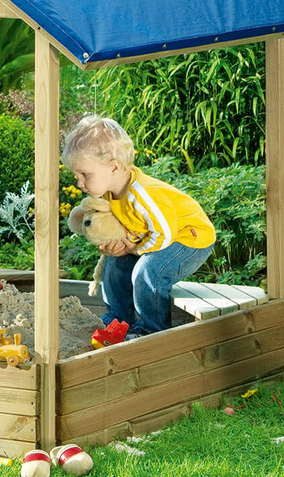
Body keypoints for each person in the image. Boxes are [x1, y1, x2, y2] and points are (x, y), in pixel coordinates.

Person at [62, 115, 216, 337]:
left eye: (85, 174)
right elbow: (118, 229)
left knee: (148, 271)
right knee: (115, 264)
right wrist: (115, 246)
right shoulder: (108, 193)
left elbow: (164, 234)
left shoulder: (142, 195)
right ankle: (118, 317)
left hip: (189, 238)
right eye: (77, 175)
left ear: (114, 167)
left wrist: (134, 249)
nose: (79, 183)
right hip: (159, 237)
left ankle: (151, 329)